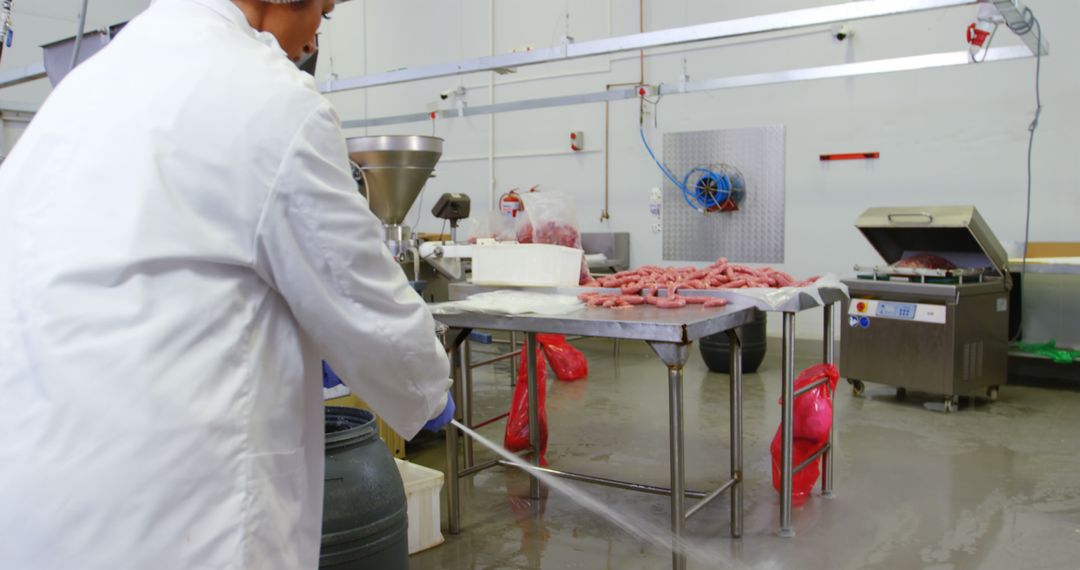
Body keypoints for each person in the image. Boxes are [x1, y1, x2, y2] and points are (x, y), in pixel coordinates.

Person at [0, 0, 454, 568]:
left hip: (37, 511)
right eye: (325, 13)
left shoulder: (78, 93)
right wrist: (428, 387)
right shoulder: (272, 101)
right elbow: (370, 307)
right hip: (177, 521)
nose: (313, 40)